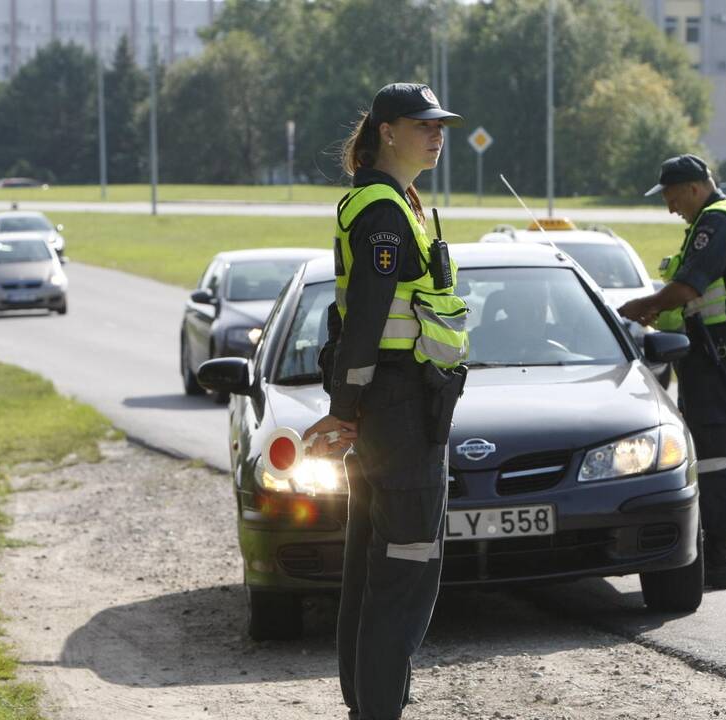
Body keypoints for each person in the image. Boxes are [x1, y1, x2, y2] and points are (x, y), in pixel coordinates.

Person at [303, 82, 469, 720]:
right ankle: (378, 709)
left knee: (374, 574)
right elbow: (366, 319)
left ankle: (368, 704)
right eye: (423, 125)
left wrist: (351, 408)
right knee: (405, 573)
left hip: (403, 409)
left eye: (441, 125)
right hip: (400, 412)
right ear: (386, 130)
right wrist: (345, 410)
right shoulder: (383, 210)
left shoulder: (402, 202)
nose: (437, 134)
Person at [618, 154, 726, 590]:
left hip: (716, 352)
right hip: (711, 350)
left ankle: (719, 561)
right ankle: (710, 551)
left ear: (694, 188)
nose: (669, 206)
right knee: (708, 454)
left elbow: (688, 287)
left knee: (715, 460)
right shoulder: (724, 216)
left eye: (671, 195)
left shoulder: (716, 222)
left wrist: (640, 308)